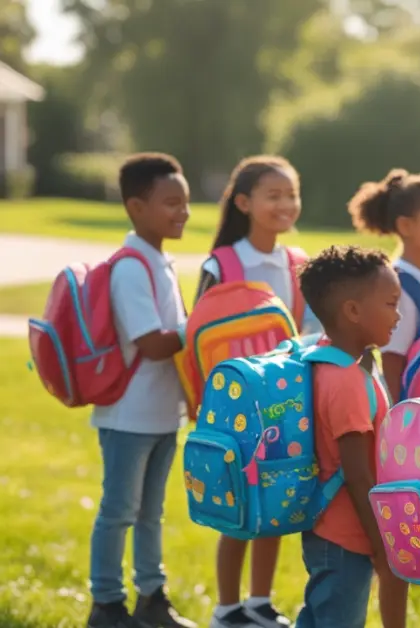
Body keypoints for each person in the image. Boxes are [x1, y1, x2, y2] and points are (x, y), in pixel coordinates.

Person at [195, 155, 318, 628]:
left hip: (285, 406)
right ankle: (227, 608)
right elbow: (197, 333)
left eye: (292, 194)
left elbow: (311, 330)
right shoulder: (222, 263)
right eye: (274, 195)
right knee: (236, 503)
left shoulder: (298, 263)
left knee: (276, 499)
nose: (286, 204)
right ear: (244, 203)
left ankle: (260, 602)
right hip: (232, 409)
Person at [88, 153, 196, 628]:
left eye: (185, 203)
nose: (183, 212)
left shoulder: (159, 261)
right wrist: (202, 326)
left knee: (152, 513)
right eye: (171, 203)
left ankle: (151, 599)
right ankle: (107, 604)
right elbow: (152, 343)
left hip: (161, 413)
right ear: (136, 207)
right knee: (119, 512)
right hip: (128, 415)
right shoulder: (131, 267)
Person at [295, 245, 409, 628]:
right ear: (353, 311)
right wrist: (382, 546)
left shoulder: (329, 359)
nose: (398, 315)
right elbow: (357, 474)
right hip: (347, 538)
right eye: (391, 303)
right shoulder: (346, 381)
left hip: (329, 531)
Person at [348, 169, 420, 401]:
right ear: (406, 226)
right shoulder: (398, 285)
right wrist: (400, 416)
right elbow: (392, 362)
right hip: (412, 412)